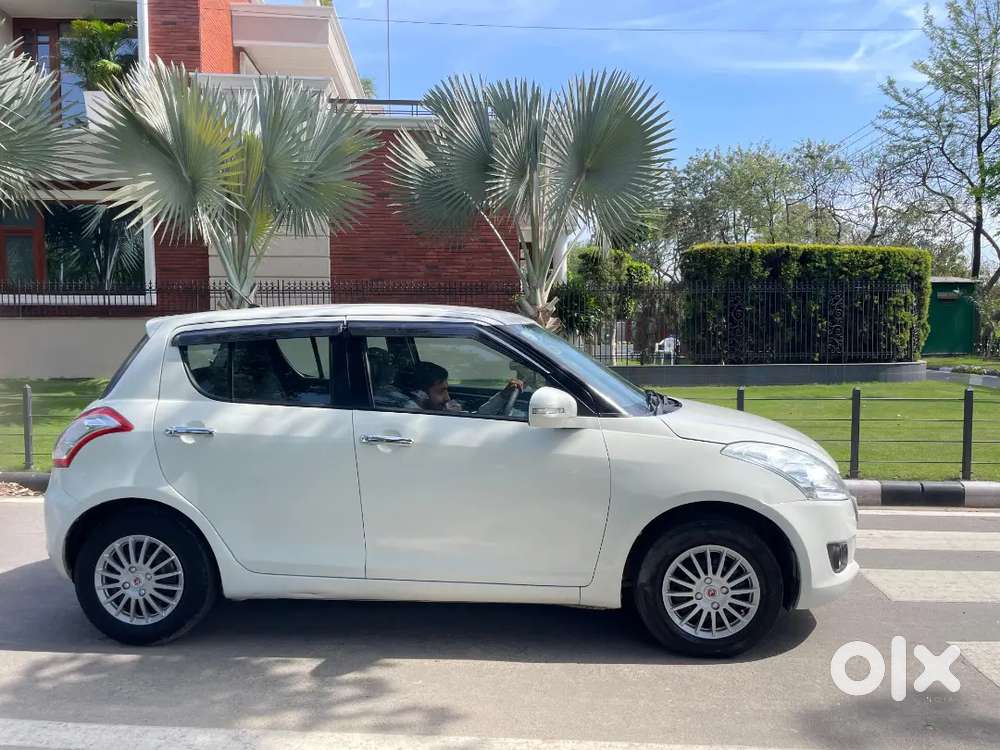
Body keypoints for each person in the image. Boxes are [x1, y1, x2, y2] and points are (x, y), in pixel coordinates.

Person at [403, 361, 523, 415]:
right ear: (421, 394)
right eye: (441, 391)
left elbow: (478, 418)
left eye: (446, 390)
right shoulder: (411, 417)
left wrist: (503, 395)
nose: (447, 398)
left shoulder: (430, 411)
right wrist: (452, 418)